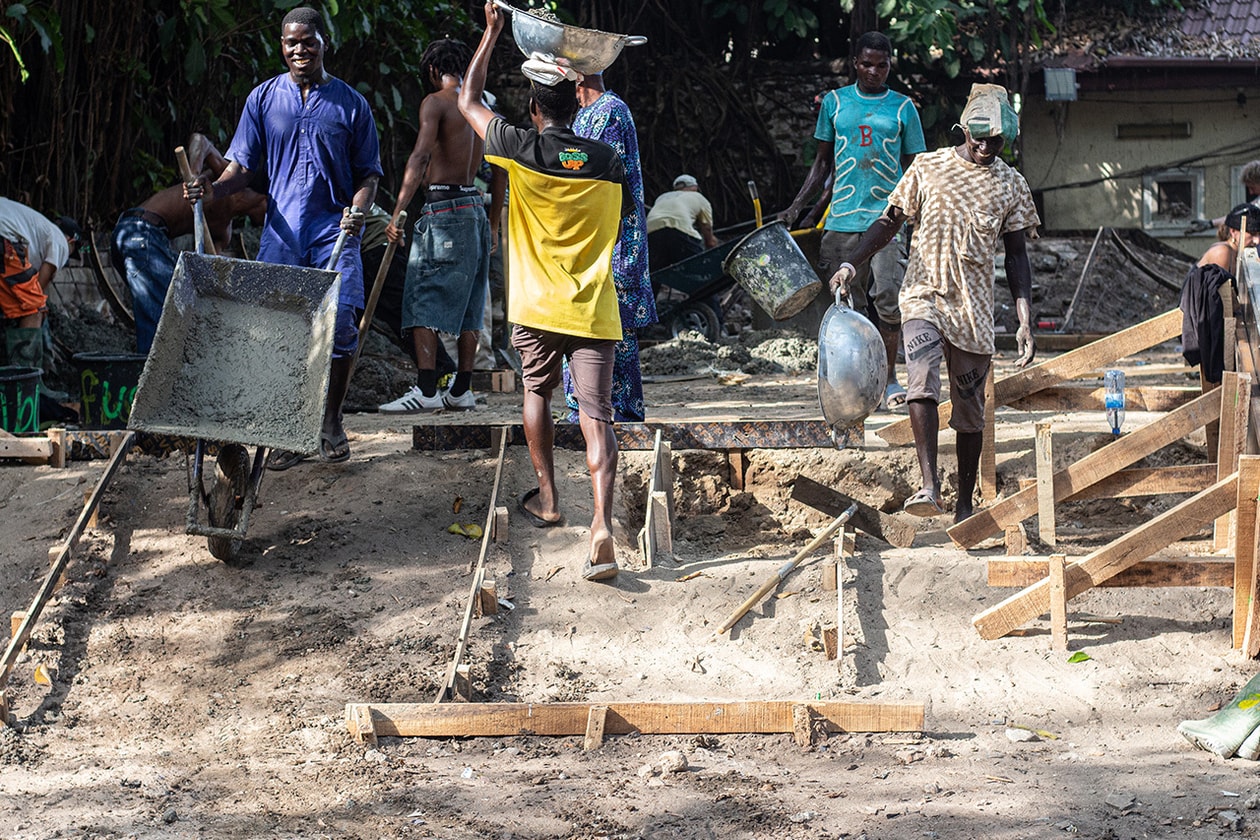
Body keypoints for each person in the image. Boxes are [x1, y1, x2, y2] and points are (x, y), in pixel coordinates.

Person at [459, 2, 630, 582]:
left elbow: (468, 101)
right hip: (592, 305)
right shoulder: (607, 159)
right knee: (598, 415)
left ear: (534, 107)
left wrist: (491, 33)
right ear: (577, 99)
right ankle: (601, 525)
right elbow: (620, 211)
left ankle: (550, 500)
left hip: (536, 305)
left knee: (538, 391)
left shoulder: (516, 147)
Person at [830, 83, 1039, 523]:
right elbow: (888, 223)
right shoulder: (927, 168)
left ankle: (964, 502)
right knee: (921, 382)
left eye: (995, 141)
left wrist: (1024, 320)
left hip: (975, 310)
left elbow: (1017, 256)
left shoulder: (1011, 185)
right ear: (962, 130)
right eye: (977, 137)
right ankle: (929, 486)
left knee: (969, 410)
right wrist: (851, 264)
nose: (984, 147)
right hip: (923, 294)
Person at [183, 6, 382, 468]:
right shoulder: (264, 99)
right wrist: (213, 188)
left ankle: (330, 422)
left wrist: (358, 210)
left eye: (307, 41)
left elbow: (368, 174)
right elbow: (243, 167)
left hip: (335, 231)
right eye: (291, 43)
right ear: (282, 46)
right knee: (278, 331)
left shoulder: (351, 104)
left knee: (342, 328)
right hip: (283, 232)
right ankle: (289, 431)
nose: (299, 50)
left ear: (323, 43)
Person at [782, 31, 926, 411]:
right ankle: (858, 381)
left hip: (888, 220)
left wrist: (920, 215)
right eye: (867, 64)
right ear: (855, 64)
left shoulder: (902, 108)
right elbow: (822, 165)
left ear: (890, 65)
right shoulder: (835, 103)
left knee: (889, 300)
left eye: (882, 65)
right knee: (847, 304)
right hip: (842, 219)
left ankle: (890, 377)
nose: (874, 71)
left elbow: (915, 170)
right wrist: (797, 206)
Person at [377, 38, 505, 415]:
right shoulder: (482, 108)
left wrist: (399, 210)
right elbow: (499, 170)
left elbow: (419, 157)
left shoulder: (436, 103)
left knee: (420, 300)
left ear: (433, 70)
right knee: (469, 304)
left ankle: (427, 390)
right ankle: (461, 390)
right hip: (475, 210)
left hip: (443, 211)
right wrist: (494, 223)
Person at [113, 134, 267, 354]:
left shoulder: (223, 232)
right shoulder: (226, 181)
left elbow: (212, 272)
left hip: (149, 242)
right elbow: (199, 140)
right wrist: (193, 174)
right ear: (266, 199)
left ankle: (153, 370)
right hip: (139, 231)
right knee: (168, 313)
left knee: (176, 306)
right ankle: (153, 377)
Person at [562, 71, 656, 424]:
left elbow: (601, 177)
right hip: (598, 240)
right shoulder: (588, 114)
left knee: (616, 331)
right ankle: (587, 411)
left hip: (612, 242)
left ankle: (620, 414)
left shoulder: (610, 111)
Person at [0, 198, 81, 418]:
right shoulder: (60, 240)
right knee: (33, 309)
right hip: (4, 239)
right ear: (71, 240)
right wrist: (38, 307)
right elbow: (45, 276)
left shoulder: (32, 224)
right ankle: (26, 386)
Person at [1180, 203, 1260, 386]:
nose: (1256, 241)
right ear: (1234, 232)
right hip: (1196, 313)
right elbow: (1217, 297)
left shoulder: (1237, 252)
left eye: (1259, 235)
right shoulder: (1222, 252)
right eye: (1252, 234)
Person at [646, 174, 719, 276]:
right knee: (698, 271)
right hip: (679, 230)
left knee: (656, 274)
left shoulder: (662, 197)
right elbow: (706, 228)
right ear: (695, 187)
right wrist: (711, 242)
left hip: (651, 232)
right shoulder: (698, 197)